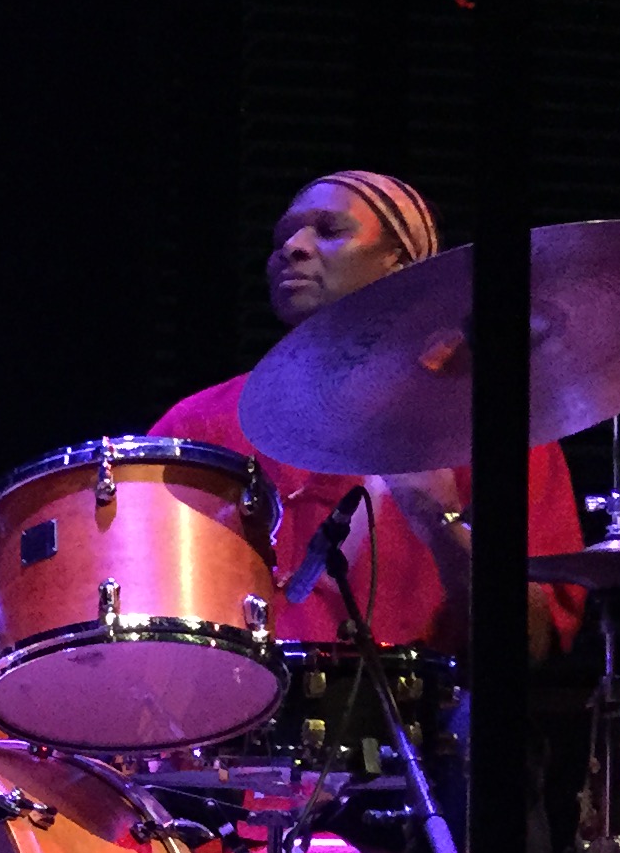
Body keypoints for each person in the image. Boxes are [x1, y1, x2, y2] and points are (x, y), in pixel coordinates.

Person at [152, 169, 585, 661]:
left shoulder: (493, 425)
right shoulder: (198, 425)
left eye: (329, 230)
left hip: (418, 730)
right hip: (232, 724)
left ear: (399, 263)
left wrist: (441, 522)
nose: (291, 247)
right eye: (283, 236)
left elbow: (529, 645)